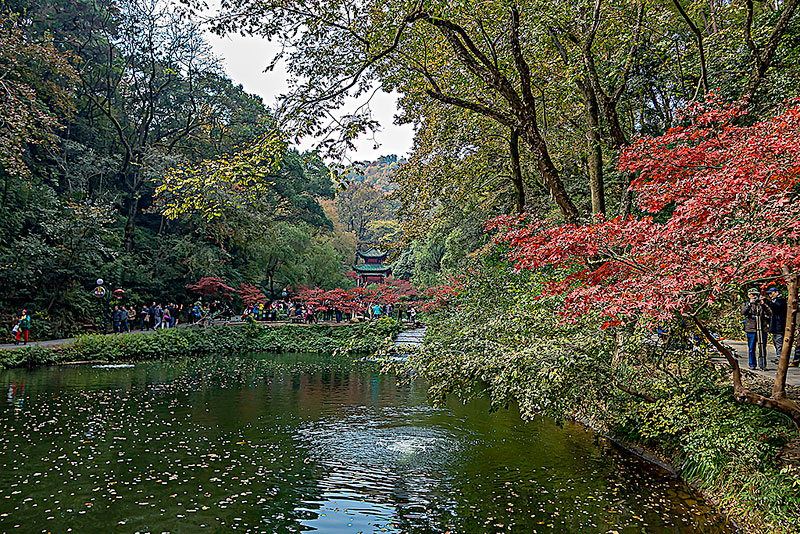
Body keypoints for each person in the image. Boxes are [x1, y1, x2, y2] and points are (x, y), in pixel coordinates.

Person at [742, 288, 771, 370]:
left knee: (762, 347)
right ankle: (752, 364)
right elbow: (743, 312)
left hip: (762, 328)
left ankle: (762, 364)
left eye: (756, 295)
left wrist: (763, 305)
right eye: (752, 295)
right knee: (751, 348)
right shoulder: (746, 304)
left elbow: (770, 313)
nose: (754, 297)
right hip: (751, 328)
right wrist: (750, 304)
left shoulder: (761, 304)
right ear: (749, 296)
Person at [764, 287, 787, 363]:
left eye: (771, 293)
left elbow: (776, 308)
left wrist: (766, 301)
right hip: (776, 326)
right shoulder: (776, 300)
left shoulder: (781, 300)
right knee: (777, 342)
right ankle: (779, 357)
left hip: (779, 326)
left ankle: (781, 358)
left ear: (776, 292)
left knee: (779, 342)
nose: (770, 295)